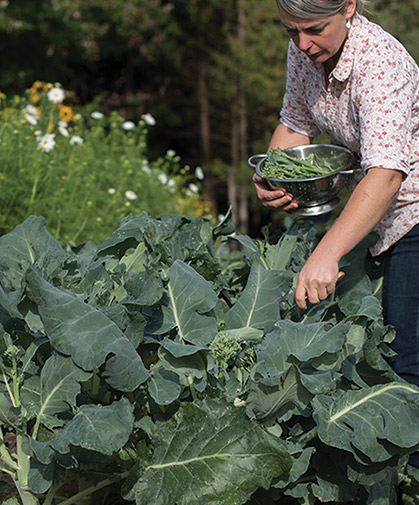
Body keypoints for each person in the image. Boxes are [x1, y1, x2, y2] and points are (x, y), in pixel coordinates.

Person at [253, 0, 419, 390]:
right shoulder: (304, 50)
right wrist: (271, 175)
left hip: (410, 209)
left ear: (349, 6)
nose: (303, 43)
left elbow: (386, 177)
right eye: (291, 31)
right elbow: (295, 123)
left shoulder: (379, 62)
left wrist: (326, 253)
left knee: (407, 362)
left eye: (314, 29)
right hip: (373, 214)